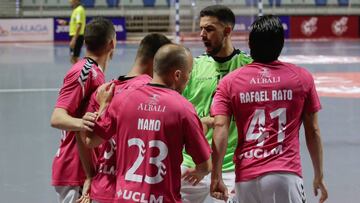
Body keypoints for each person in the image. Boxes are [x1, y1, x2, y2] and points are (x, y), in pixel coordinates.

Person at [210, 15, 328, 203]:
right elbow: (312, 131)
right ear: (281, 44)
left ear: (250, 43)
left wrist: (216, 176)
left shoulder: (229, 82)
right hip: (285, 175)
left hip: (245, 177)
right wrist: (319, 175)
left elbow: (220, 128)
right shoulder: (301, 78)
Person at [83, 44, 212, 202]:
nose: (189, 77)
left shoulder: (123, 99)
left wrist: (103, 106)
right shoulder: (184, 109)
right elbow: (205, 166)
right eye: (189, 73)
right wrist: (199, 172)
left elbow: (91, 141)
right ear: (178, 75)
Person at [76, 33, 172, 203]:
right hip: (136, 191)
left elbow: (84, 137)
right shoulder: (151, 94)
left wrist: (90, 175)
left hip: (102, 186)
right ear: (157, 61)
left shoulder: (105, 89)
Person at [180, 5, 252, 203]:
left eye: (209, 29)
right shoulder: (193, 67)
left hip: (232, 168)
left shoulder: (248, 68)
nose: (202, 34)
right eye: (201, 28)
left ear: (227, 31)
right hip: (192, 164)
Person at [50, 17, 116, 203]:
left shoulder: (95, 72)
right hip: (75, 168)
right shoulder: (83, 71)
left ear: (85, 42)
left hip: (85, 167)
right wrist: (82, 122)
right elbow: (57, 117)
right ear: (112, 43)